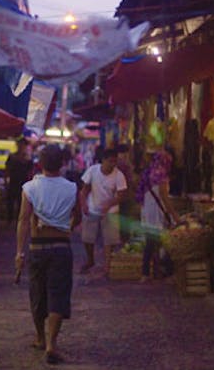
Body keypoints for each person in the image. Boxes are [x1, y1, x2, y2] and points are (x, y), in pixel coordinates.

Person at [15, 144, 81, 365]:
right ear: (62, 164)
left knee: (38, 293)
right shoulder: (72, 188)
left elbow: (23, 220)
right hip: (61, 247)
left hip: (37, 247)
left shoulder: (30, 188)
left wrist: (18, 253)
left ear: (40, 164)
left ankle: (40, 337)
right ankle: (52, 344)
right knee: (58, 294)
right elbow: (78, 216)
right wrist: (66, 226)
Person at [79, 147, 128, 275]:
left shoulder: (119, 175)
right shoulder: (93, 171)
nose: (113, 165)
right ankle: (90, 260)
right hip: (92, 208)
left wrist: (110, 204)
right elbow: (84, 190)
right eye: (110, 161)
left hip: (111, 212)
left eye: (114, 162)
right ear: (103, 160)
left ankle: (107, 266)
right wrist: (83, 204)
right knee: (87, 238)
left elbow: (121, 195)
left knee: (109, 240)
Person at [136, 150, 179, 282]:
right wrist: (174, 215)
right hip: (156, 212)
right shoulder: (162, 175)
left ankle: (147, 273)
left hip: (147, 210)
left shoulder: (148, 172)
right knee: (166, 241)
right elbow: (164, 197)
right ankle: (167, 271)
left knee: (151, 241)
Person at [5, 137, 33, 222]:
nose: (21, 146)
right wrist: (6, 180)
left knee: (21, 203)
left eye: (23, 145)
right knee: (10, 202)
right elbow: (7, 169)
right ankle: (9, 220)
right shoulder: (12, 156)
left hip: (23, 183)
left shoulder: (28, 159)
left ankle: (18, 220)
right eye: (20, 144)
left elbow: (30, 172)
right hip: (13, 182)